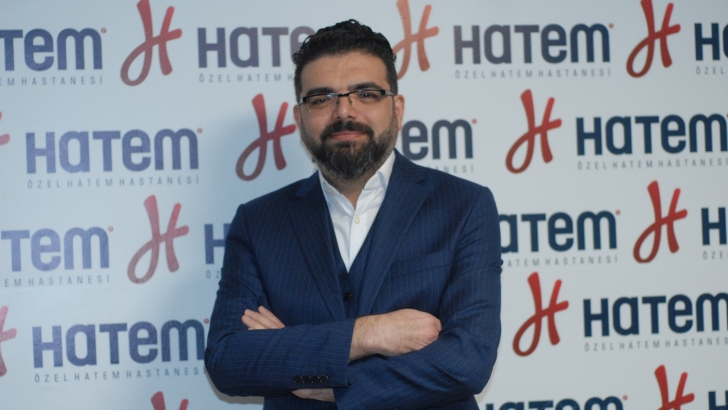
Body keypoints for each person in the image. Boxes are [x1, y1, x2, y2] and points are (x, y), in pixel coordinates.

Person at [205, 20, 501, 409]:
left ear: (397, 108)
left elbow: (468, 361)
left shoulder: (463, 205)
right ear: (299, 117)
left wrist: (327, 382)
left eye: (366, 94)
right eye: (321, 98)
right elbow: (228, 361)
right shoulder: (258, 222)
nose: (344, 111)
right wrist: (369, 334)